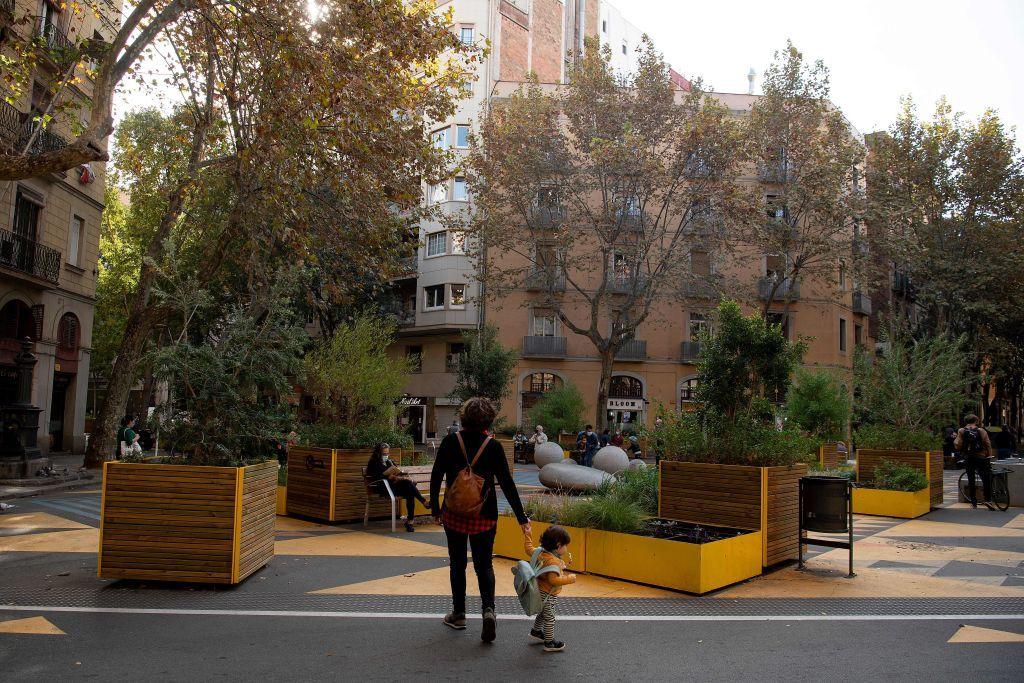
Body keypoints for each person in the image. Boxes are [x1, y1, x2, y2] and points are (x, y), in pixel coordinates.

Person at [431, 397, 529, 643]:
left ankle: (459, 613)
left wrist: (435, 508)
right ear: (489, 420)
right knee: (484, 565)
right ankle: (488, 610)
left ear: (463, 417)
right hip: (484, 516)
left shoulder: (451, 441)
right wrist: (521, 517)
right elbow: (507, 483)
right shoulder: (493, 447)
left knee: (457, 563)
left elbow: (436, 475)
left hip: (454, 513)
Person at [524, 525, 576, 653]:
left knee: (543, 613)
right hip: (548, 594)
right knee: (550, 617)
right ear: (558, 546)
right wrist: (570, 579)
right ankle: (549, 642)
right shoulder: (554, 561)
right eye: (565, 545)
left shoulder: (540, 552)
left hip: (538, 590)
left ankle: (536, 631)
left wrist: (528, 534)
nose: (566, 548)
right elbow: (553, 580)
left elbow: (528, 548)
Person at [366, 443, 428, 532]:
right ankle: (423, 502)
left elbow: (396, 471)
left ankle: (410, 521)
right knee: (409, 486)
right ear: (378, 453)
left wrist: (400, 474)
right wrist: (388, 477)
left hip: (394, 486)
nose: (386, 456)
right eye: (384, 454)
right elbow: (374, 477)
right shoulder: (373, 462)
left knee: (409, 491)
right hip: (384, 488)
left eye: (387, 453)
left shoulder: (389, 462)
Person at [955, 414, 994, 509]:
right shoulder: (981, 431)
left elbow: (958, 444)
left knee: (971, 479)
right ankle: (988, 499)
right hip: (981, 457)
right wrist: (989, 455)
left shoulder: (961, 431)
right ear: (976, 421)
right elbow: (987, 444)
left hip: (968, 457)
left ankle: (973, 502)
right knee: (985, 478)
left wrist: (962, 450)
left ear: (966, 421)